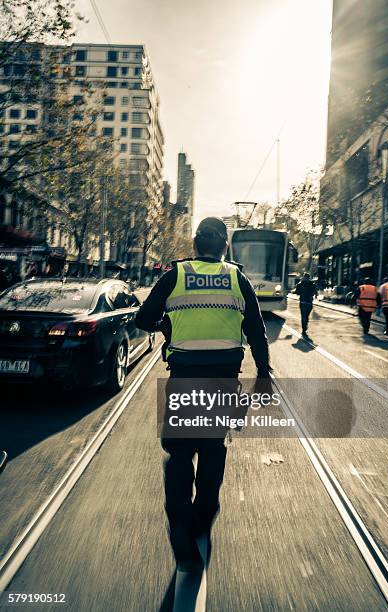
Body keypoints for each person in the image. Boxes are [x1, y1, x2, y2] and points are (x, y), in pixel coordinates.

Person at [135, 216, 272, 573]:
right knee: (213, 449)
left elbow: (142, 319)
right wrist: (264, 373)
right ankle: (203, 516)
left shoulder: (175, 276)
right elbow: (256, 330)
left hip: (184, 378)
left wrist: (166, 325)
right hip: (223, 382)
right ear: (225, 247)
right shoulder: (236, 278)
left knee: (180, 452)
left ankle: (180, 523)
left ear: (195, 245)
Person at [293, 272, 318, 336]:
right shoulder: (313, 284)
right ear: (309, 278)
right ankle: (305, 325)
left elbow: (297, 292)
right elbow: (316, 292)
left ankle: (304, 329)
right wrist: (315, 295)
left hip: (303, 302)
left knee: (303, 316)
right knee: (306, 316)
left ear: (304, 277)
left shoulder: (300, 284)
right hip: (309, 303)